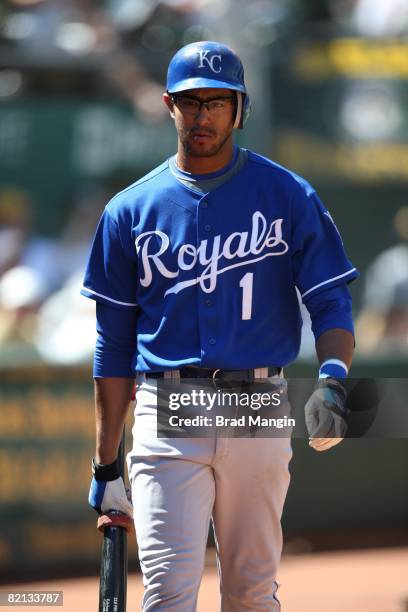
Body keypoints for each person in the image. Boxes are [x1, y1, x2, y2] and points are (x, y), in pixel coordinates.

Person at [82, 41, 358, 611]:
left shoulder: (286, 194)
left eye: (216, 101)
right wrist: (107, 462)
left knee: (252, 594)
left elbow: (330, 302)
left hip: (256, 399)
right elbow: (113, 346)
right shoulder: (129, 211)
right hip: (166, 404)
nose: (201, 114)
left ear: (239, 108)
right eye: (190, 102)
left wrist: (333, 377)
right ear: (168, 105)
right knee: (167, 596)